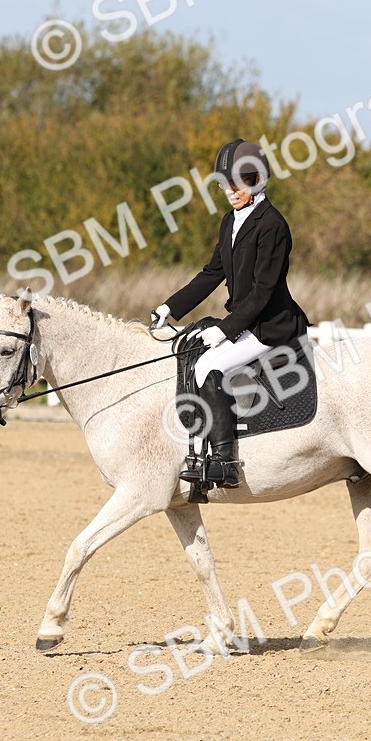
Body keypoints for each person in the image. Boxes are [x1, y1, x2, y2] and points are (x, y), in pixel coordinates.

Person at [150, 138, 310, 488]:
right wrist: (170, 307)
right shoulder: (229, 221)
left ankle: (225, 463)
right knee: (195, 357)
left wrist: (226, 329)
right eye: (225, 184)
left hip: (271, 326)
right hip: (247, 322)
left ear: (258, 180)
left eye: (239, 183)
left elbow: (263, 291)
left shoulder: (273, 225)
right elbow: (212, 273)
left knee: (210, 365)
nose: (231, 192)